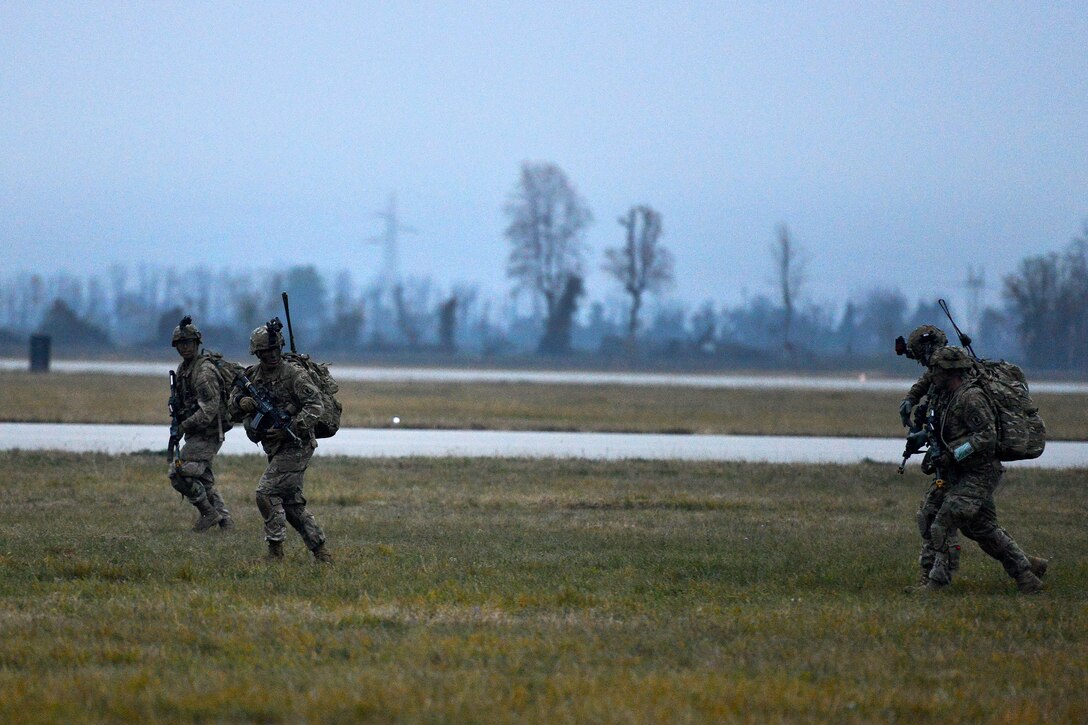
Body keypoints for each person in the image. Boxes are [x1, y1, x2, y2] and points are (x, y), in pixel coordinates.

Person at [922, 346, 1046, 593]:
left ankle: (936, 584)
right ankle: (1028, 574)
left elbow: (986, 437)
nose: (931, 375)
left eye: (936, 370)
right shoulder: (946, 396)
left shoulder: (971, 398)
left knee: (943, 521)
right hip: (960, 472)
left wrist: (953, 454)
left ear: (951, 371)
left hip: (980, 473)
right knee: (982, 529)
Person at [229, 321, 332, 563]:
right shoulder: (251, 377)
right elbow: (230, 407)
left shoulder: (294, 374)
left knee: (265, 493)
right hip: (274, 447)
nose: (273, 356)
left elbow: (316, 405)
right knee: (292, 504)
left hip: (297, 444)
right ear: (258, 353)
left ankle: (275, 551)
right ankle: (321, 552)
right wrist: (241, 403)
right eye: (266, 352)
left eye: (276, 350)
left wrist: (292, 428)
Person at [168, 317, 235, 531]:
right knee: (204, 482)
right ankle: (226, 523)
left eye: (189, 343)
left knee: (179, 473)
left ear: (197, 344)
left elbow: (209, 410)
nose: (185, 347)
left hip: (208, 433)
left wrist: (184, 426)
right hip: (195, 433)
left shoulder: (204, 372)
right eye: (181, 344)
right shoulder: (183, 369)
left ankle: (209, 514)